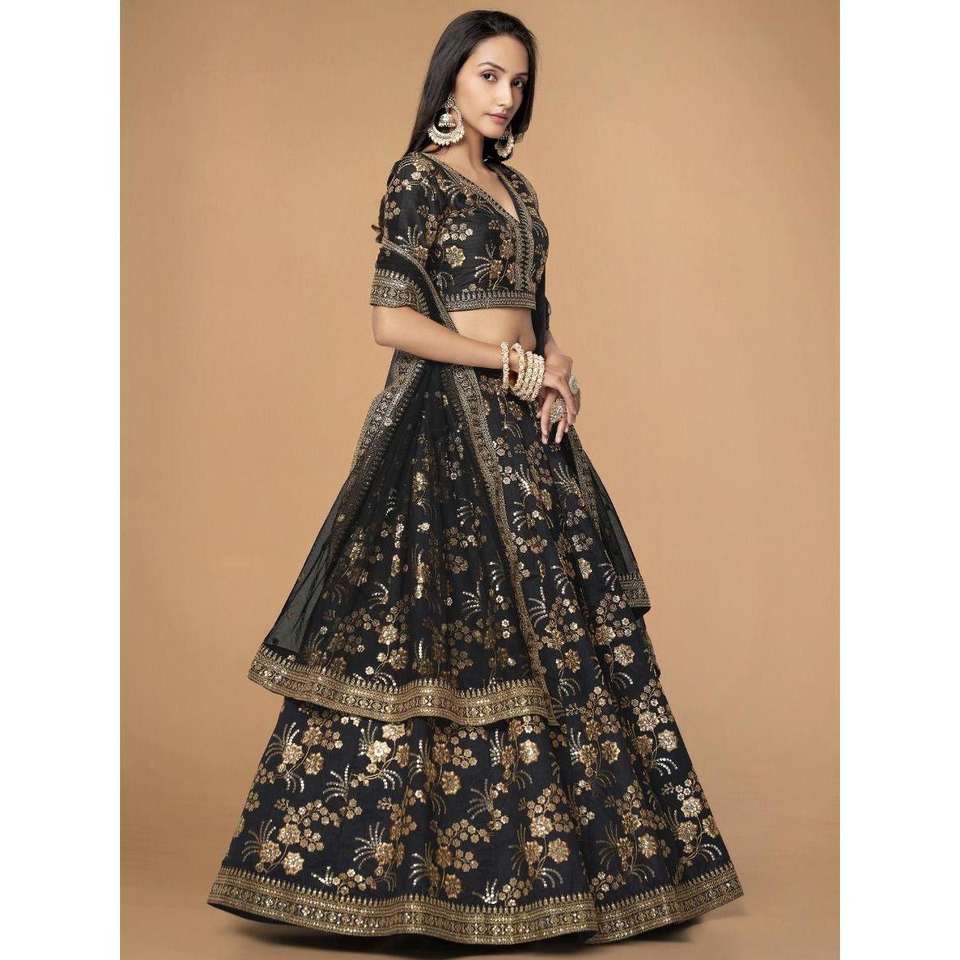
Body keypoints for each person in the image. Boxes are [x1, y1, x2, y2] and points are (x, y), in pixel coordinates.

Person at [206, 9, 744, 945]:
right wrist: (504, 365)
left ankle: (576, 879)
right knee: (449, 637)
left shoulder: (517, 189)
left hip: (529, 427)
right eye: (490, 76)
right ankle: (428, 887)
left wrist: (557, 368)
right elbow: (392, 322)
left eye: (518, 81)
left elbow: (534, 314)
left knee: (561, 636)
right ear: (451, 78)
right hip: (445, 430)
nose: (506, 96)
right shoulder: (417, 179)